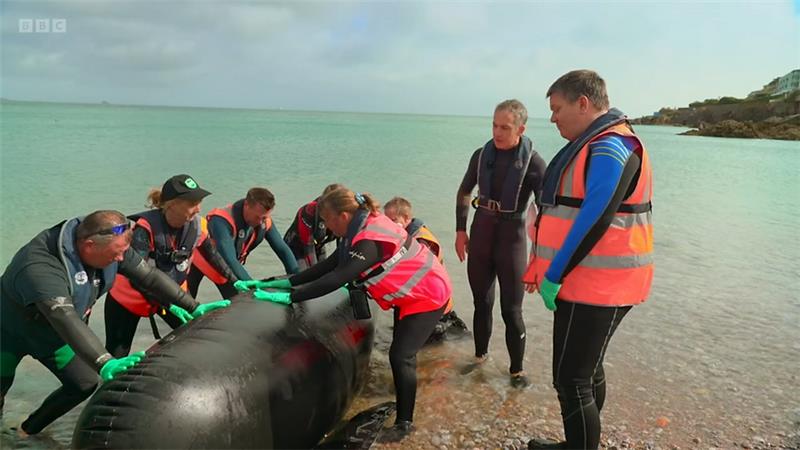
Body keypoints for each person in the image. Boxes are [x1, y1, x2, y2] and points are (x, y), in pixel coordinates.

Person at [235, 188, 452, 443]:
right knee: (401, 355)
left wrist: (292, 298)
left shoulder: (369, 240)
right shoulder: (357, 231)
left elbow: (339, 277)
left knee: (401, 355)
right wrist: (288, 283)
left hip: (427, 294)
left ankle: (405, 424)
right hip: (409, 295)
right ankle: (404, 396)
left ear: (345, 216)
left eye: (328, 220)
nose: (326, 227)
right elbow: (328, 265)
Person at [0, 210, 227, 435]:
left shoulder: (113, 244)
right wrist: (104, 362)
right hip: (9, 334)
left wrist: (192, 306)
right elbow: (62, 315)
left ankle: (26, 431)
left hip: (53, 335)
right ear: (89, 245)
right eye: (115, 255)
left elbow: (148, 276)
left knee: (84, 384)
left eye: (122, 253)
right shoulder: (38, 266)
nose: (120, 260)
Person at [523, 70, 654, 450]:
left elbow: (596, 215)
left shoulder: (610, 145)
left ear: (583, 103)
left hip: (597, 285)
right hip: (595, 281)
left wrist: (556, 273)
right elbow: (563, 214)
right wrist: (540, 265)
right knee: (587, 368)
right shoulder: (600, 142)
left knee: (571, 380)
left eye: (557, 108)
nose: (552, 118)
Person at [454, 99, 547, 388]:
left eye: (505, 127)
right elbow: (464, 192)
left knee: (511, 310)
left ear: (521, 128)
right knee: (481, 303)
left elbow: (546, 213)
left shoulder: (534, 162)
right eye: (494, 125)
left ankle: (516, 371)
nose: (497, 132)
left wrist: (539, 258)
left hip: (513, 241)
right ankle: (480, 357)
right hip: (481, 235)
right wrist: (460, 231)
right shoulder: (481, 155)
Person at [104, 175, 235, 358]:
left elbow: (213, 257)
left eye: (200, 202)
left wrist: (235, 281)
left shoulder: (197, 226)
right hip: (128, 299)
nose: (198, 209)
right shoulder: (144, 229)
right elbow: (136, 277)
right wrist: (167, 303)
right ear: (172, 204)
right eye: (192, 203)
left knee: (195, 335)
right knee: (117, 355)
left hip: (171, 295)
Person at [383, 196, 468, 344]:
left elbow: (424, 278)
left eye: (393, 220)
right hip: (417, 303)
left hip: (433, 307)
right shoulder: (404, 236)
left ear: (407, 217)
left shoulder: (422, 240)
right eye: (386, 221)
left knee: (427, 352)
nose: (389, 225)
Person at [187, 187, 299, 298]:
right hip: (201, 261)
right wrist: (254, 288)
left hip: (225, 263)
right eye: (257, 217)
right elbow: (229, 260)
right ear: (246, 205)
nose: (260, 222)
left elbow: (282, 250)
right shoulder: (221, 221)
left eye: (264, 217)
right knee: (189, 301)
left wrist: (297, 278)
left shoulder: (264, 221)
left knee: (240, 298)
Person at [283, 183, 344, 270]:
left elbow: (342, 247)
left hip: (318, 244)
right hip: (297, 245)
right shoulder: (309, 212)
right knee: (303, 275)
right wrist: (315, 273)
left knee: (326, 272)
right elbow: (308, 249)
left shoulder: (346, 213)